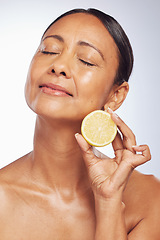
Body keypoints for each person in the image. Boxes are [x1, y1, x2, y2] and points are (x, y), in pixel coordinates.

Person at [0, 8, 160, 240]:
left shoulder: (151, 199)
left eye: (86, 60)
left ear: (116, 95)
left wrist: (109, 202)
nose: (58, 66)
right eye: (49, 50)